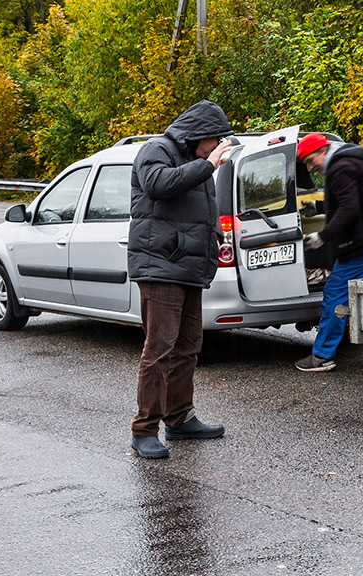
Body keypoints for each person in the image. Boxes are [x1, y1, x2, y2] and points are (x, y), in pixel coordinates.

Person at [127, 99, 233, 460]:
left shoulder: (198, 163)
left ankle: (179, 417)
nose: (217, 146)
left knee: (189, 345)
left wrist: (217, 233)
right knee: (159, 349)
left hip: (189, 266)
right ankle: (144, 429)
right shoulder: (156, 150)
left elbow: (205, 206)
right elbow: (159, 185)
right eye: (214, 140)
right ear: (198, 136)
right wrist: (206, 165)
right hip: (160, 266)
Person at [293, 132, 363, 372]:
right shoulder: (351, 160)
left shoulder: (340, 167)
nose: (311, 167)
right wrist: (319, 206)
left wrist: (323, 236)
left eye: (311, 160)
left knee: (335, 291)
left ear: (323, 150)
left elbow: (349, 208)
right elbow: (352, 199)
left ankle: (322, 356)